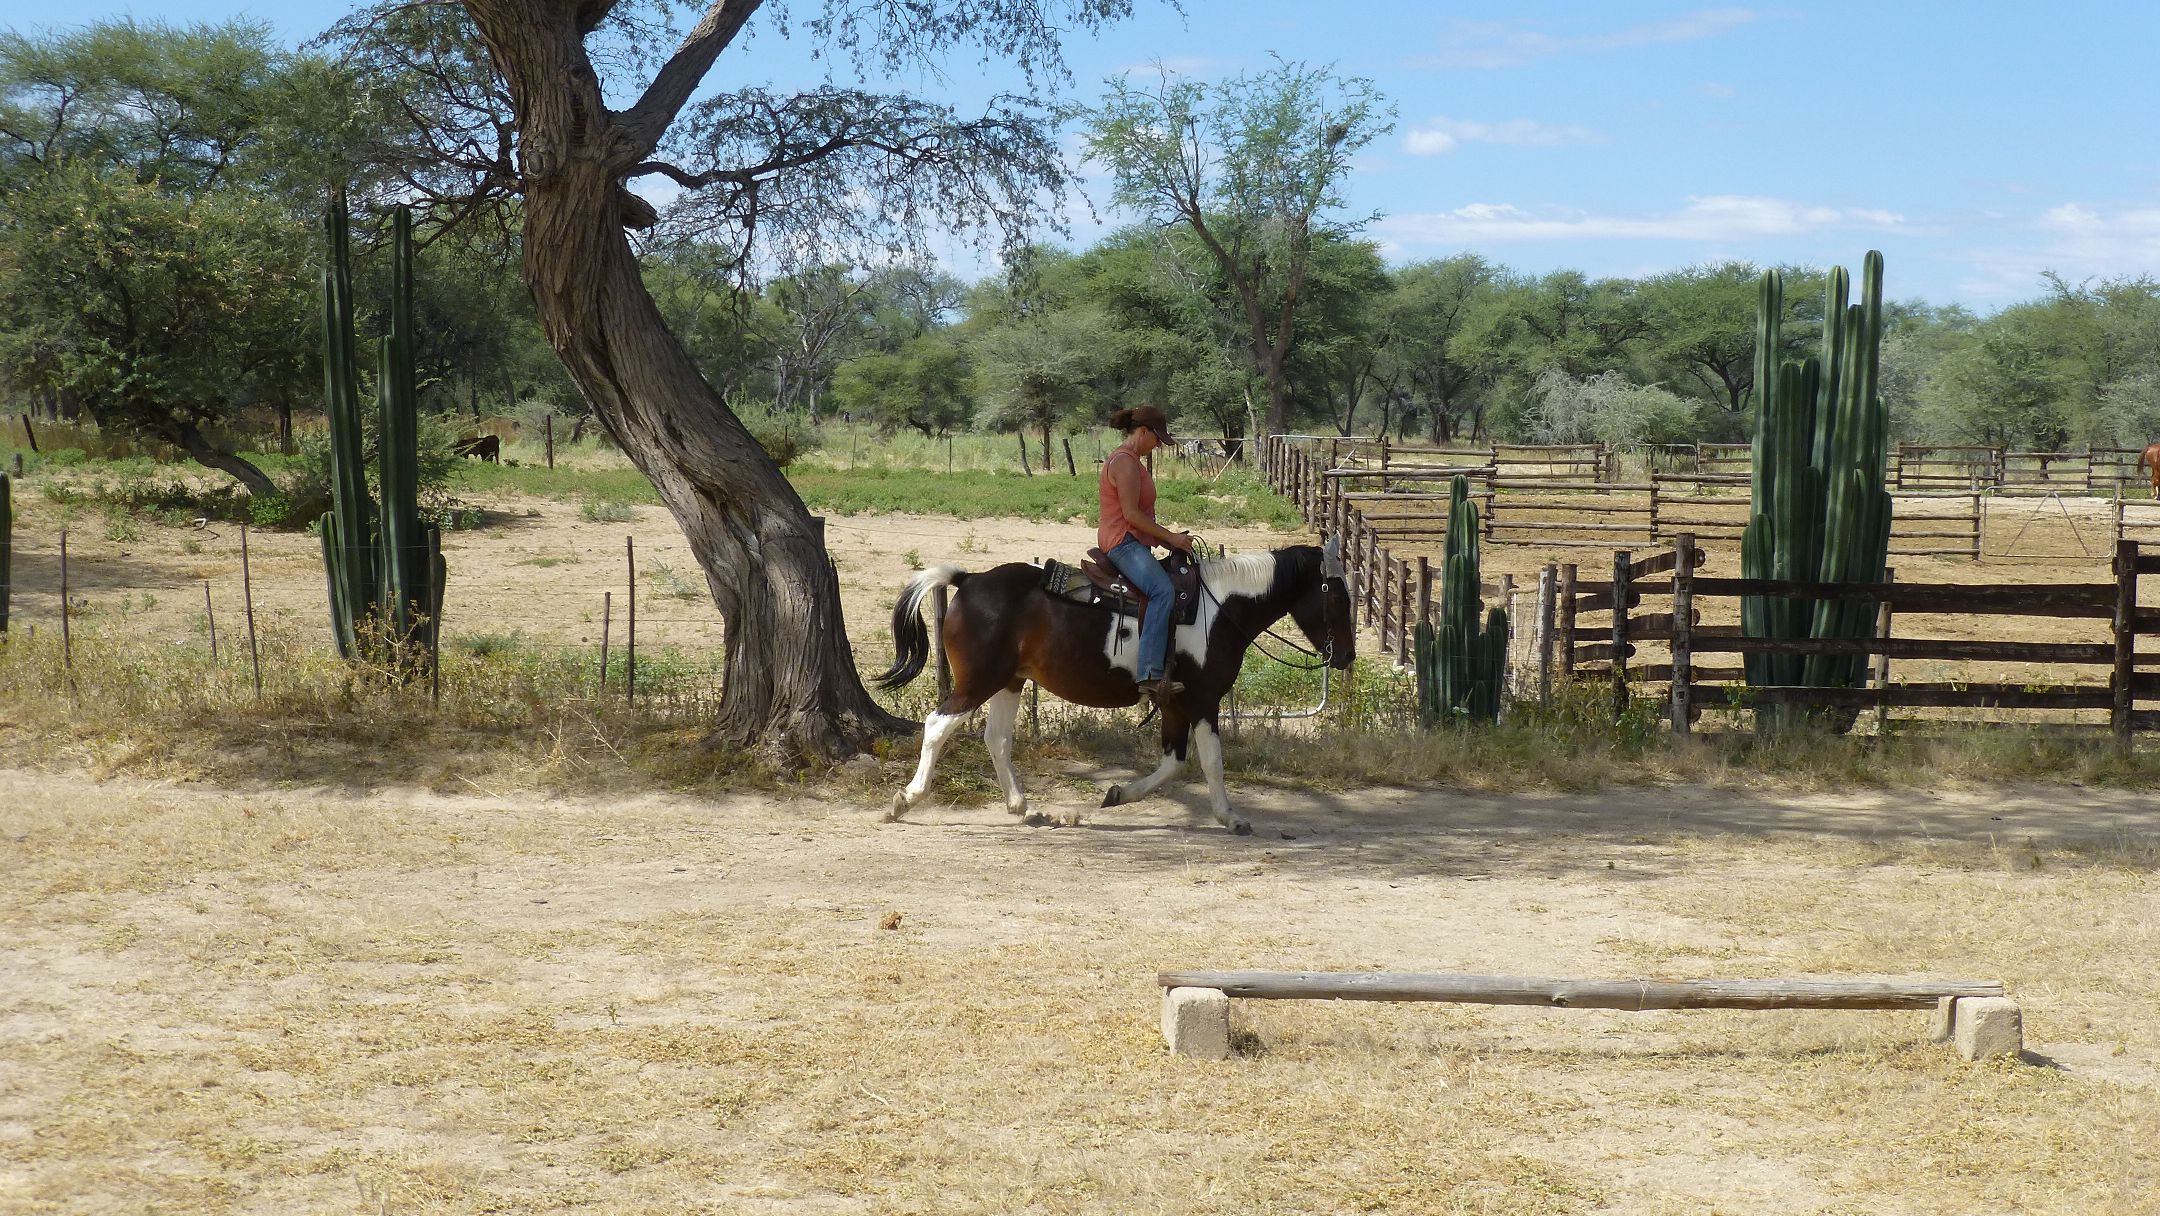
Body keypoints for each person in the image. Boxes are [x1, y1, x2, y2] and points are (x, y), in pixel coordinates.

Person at [1098, 405, 1194, 704]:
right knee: (1162, 591)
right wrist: (1171, 537)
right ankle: (1149, 673)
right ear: (1142, 432)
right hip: (1121, 542)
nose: (1157, 446)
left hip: (1132, 540)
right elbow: (1131, 514)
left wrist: (1168, 543)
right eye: (1156, 439)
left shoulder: (1132, 461)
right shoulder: (1124, 462)